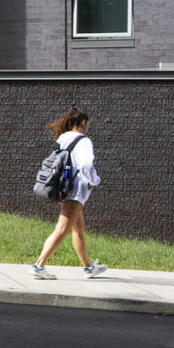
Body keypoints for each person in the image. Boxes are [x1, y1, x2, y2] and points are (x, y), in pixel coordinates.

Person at [30, 107, 105, 278]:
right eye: (88, 125)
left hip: (64, 187)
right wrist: (95, 181)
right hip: (76, 190)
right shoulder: (84, 141)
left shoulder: (63, 138)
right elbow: (86, 165)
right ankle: (38, 265)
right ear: (84, 122)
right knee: (62, 228)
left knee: (78, 228)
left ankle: (88, 267)